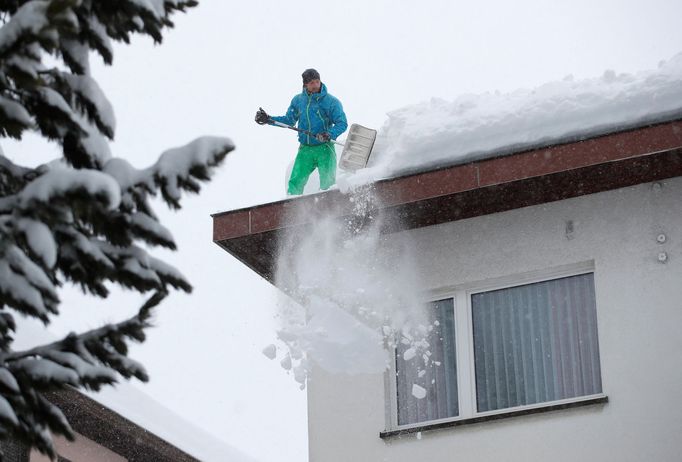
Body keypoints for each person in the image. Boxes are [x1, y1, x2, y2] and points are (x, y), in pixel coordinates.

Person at [255, 68, 348, 195]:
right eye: (311, 83)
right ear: (305, 84)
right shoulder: (298, 101)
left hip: (325, 148)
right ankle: (291, 208)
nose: (315, 85)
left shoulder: (331, 102)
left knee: (328, 184)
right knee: (295, 182)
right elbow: (289, 120)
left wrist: (329, 134)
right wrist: (269, 119)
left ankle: (331, 209)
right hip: (306, 150)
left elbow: (342, 123)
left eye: (317, 81)